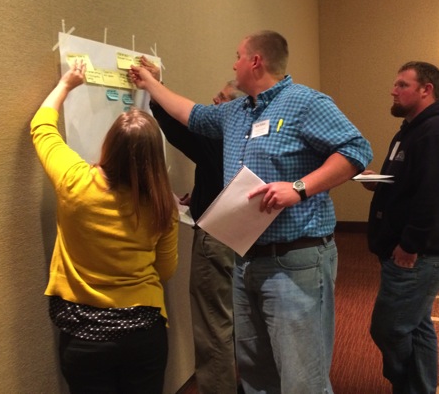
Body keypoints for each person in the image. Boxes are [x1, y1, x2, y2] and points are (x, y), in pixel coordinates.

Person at [129, 30, 373, 394]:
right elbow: (190, 114)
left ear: (255, 61)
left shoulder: (305, 102)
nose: (234, 64)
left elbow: (356, 150)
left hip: (296, 261)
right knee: (256, 373)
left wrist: (299, 188)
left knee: (301, 378)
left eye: (237, 56)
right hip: (246, 260)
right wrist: (151, 83)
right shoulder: (236, 112)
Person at [31, 61, 179, 394]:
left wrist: (66, 84)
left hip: (84, 335)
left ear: (109, 145)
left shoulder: (75, 181)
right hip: (144, 333)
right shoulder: (163, 206)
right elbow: (166, 270)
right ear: (155, 159)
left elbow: (42, 127)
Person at [361, 61, 439, 393]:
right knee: (417, 325)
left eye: (402, 85)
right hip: (405, 248)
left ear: (426, 89)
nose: (393, 91)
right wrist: (378, 183)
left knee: (388, 328)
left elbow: (437, 197)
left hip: (417, 255)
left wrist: (410, 245)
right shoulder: (410, 130)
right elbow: (410, 183)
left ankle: (405, 383)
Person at [141, 55, 244, 394]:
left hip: (217, 240)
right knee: (236, 317)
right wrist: (199, 198)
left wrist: (154, 87)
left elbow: (179, 129)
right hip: (245, 236)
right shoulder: (253, 134)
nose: (214, 101)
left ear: (238, 108)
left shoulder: (220, 134)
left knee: (213, 326)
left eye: (222, 99)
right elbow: (221, 176)